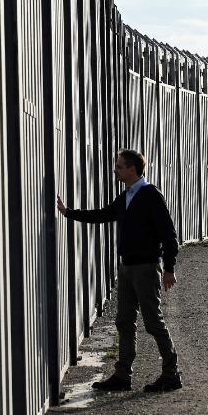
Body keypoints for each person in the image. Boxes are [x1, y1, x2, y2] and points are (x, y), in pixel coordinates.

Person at [56, 149, 182, 392]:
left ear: (132, 169)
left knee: (153, 322)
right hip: (126, 268)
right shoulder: (126, 197)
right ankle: (123, 375)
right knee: (124, 321)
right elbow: (103, 214)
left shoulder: (150, 195)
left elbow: (168, 234)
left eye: (119, 166)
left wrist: (169, 268)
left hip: (146, 268)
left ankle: (171, 374)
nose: (115, 170)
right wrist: (69, 213)